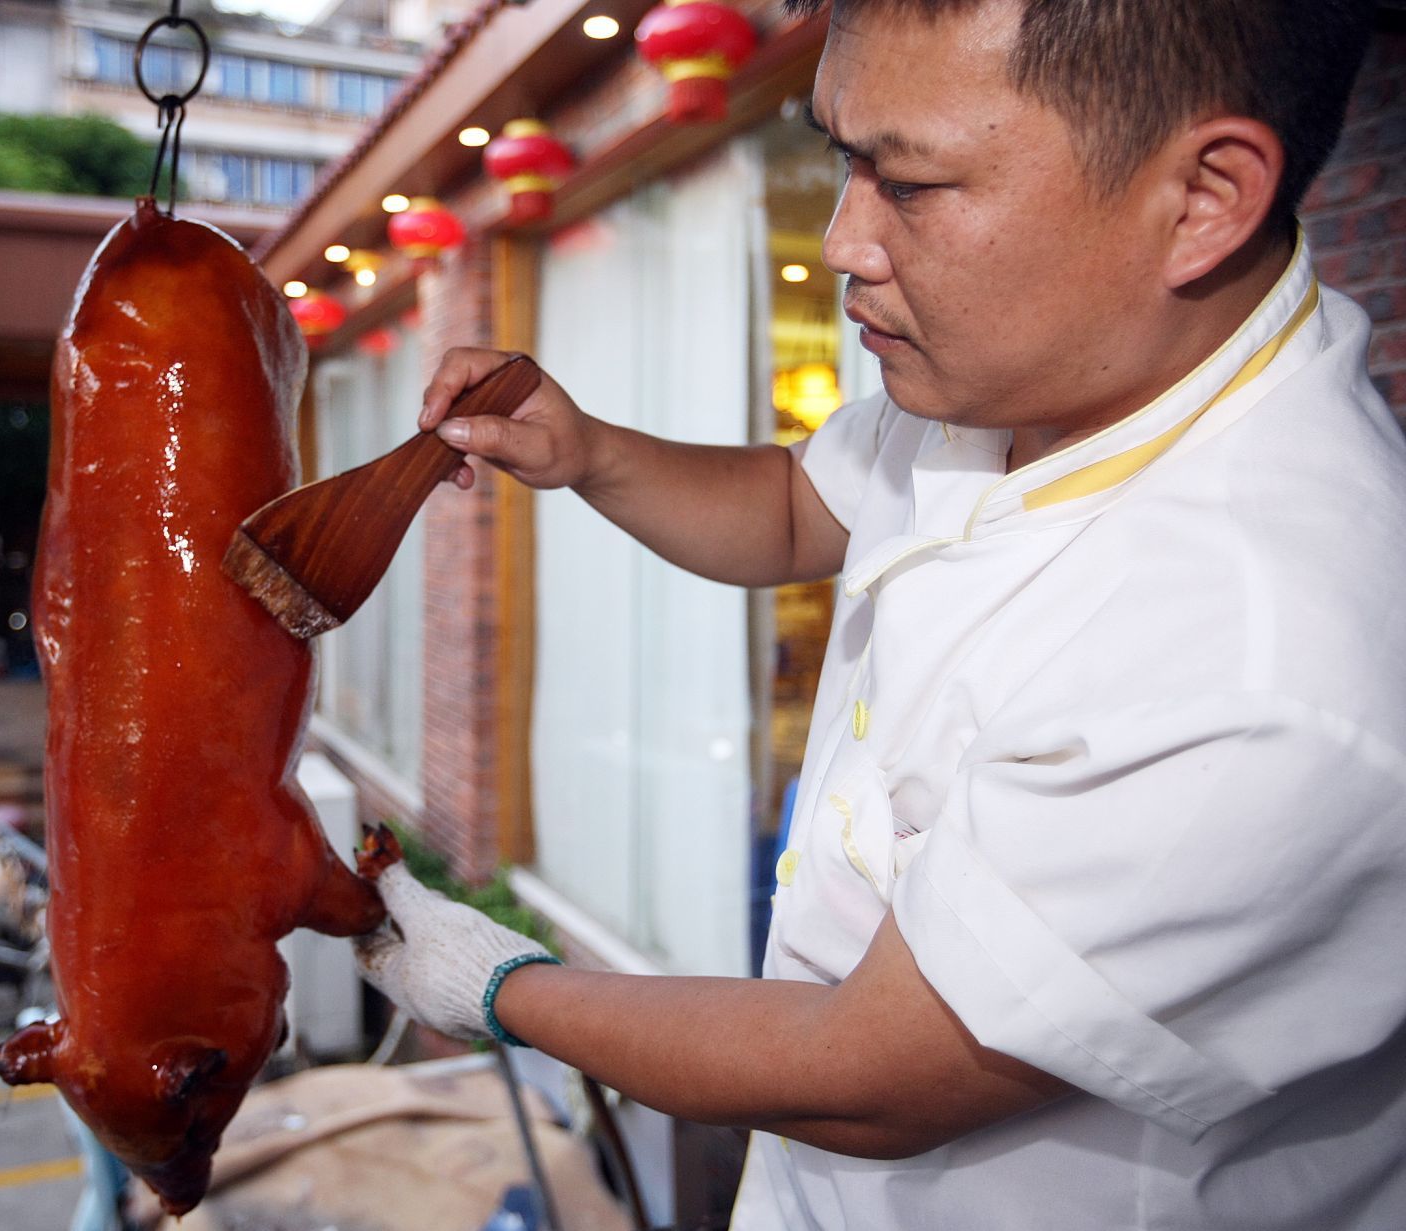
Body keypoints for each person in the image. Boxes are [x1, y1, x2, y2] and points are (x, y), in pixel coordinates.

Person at [352, 1, 1406, 1226]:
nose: (845, 239)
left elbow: (864, 1072)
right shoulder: (1050, 372)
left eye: (907, 182)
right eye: (844, 160)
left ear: (1205, 197)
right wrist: (587, 450)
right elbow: (803, 504)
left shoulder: (1256, 658)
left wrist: (495, 981)